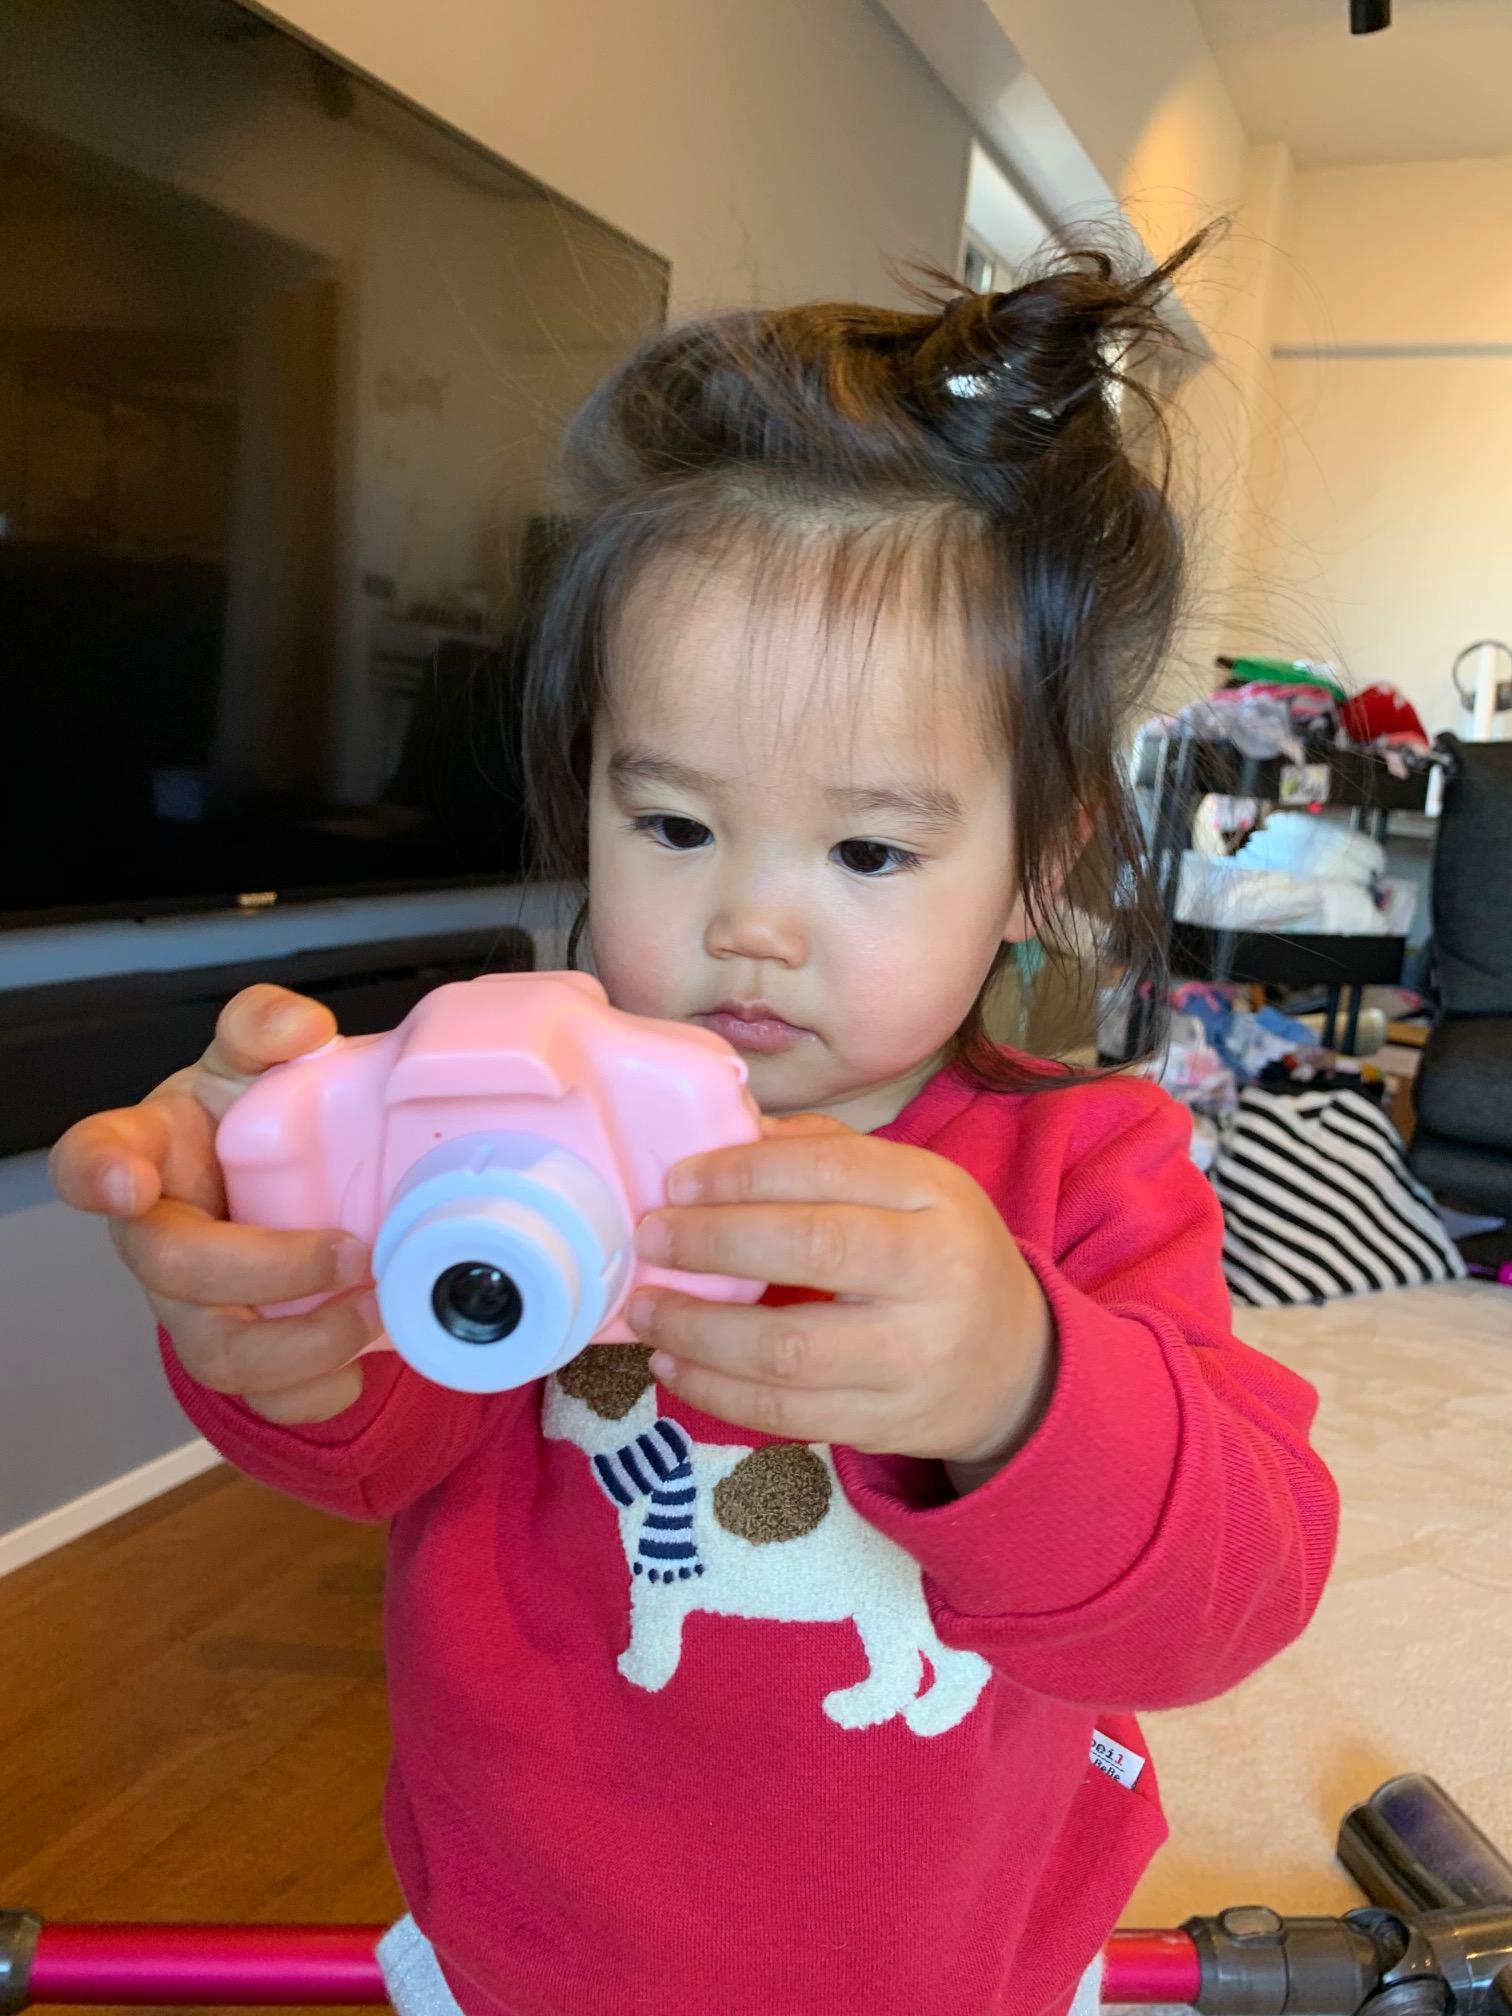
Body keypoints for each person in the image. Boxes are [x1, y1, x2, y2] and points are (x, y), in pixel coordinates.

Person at [50, 220, 1339, 2016]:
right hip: (523, 1949)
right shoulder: (512, 1105)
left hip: (960, 1967)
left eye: (869, 850)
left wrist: (1021, 1386)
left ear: (1040, 868)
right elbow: (371, 1448)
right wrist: (275, 1317)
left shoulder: (1086, 1168)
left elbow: (1227, 1596)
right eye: (672, 826)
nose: (752, 924)